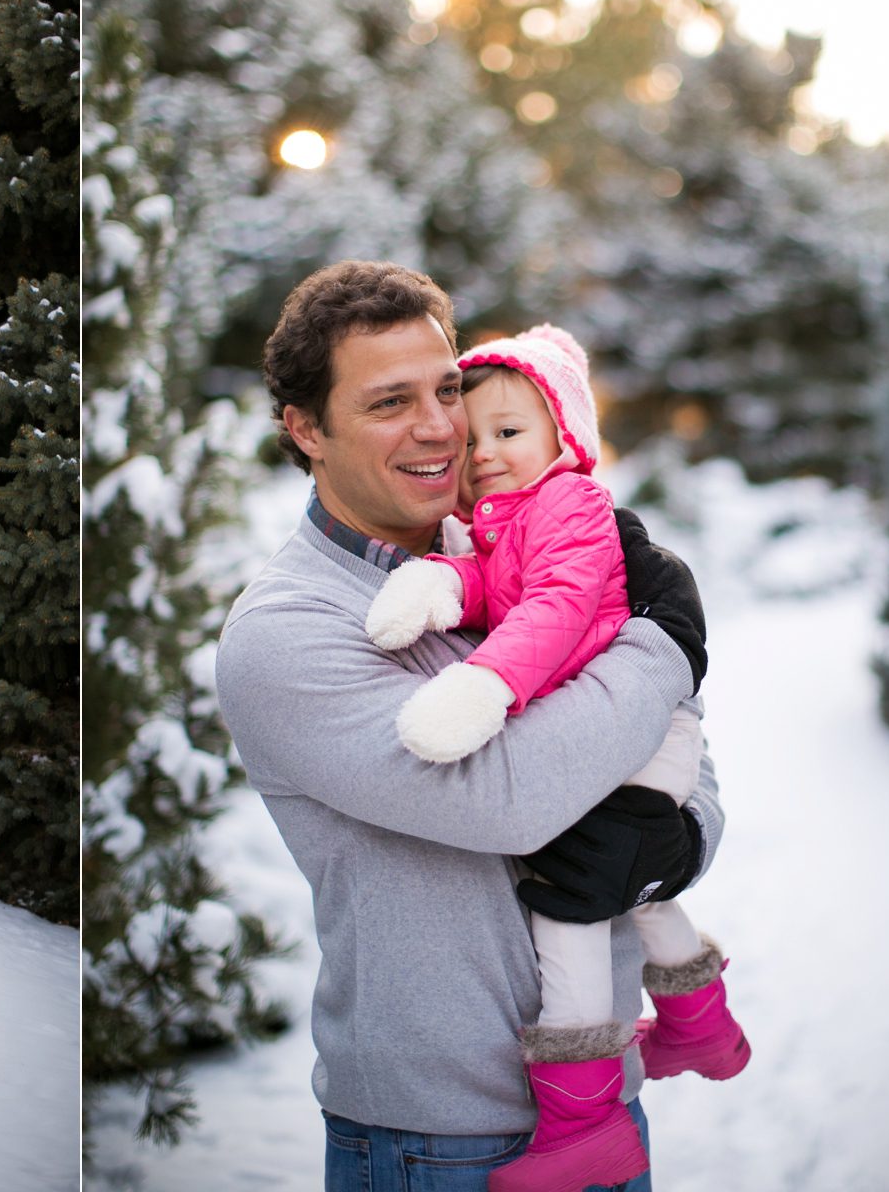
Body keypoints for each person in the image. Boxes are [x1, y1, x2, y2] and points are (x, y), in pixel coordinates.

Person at [214, 262, 721, 1192]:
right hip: (440, 1141)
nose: (441, 426)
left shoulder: (510, 538)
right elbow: (511, 800)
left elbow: (680, 755)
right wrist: (666, 637)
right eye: (388, 402)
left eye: (447, 388)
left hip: (606, 1101)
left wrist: (672, 842)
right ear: (306, 429)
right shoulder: (287, 632)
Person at [363, 324, 748, 1191]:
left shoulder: (571, 506)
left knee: (572, 912)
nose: (487, 456)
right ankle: (700, 1021)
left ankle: (586, 1124)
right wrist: (439, 588)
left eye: (511, 435)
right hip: (626, 731)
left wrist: (486, 685)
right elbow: (497, 593)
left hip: (640, 738)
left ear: (564, 438)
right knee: (639, 895)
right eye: (475, 442)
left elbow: (558, 609)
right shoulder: (503, 525)